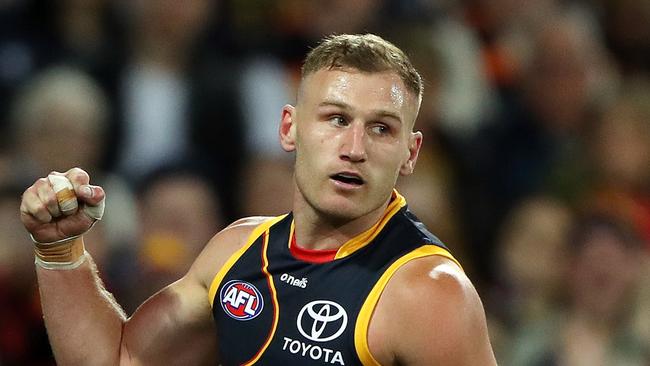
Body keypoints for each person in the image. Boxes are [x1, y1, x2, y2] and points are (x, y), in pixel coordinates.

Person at [19, 34, 496, 365]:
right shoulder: (237, 251)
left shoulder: (429, 293)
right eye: (335, 119)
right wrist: (59, 250)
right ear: (289, 128)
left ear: (410, 153)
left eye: (381, 128)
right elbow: (117, 360)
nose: (354, 148)